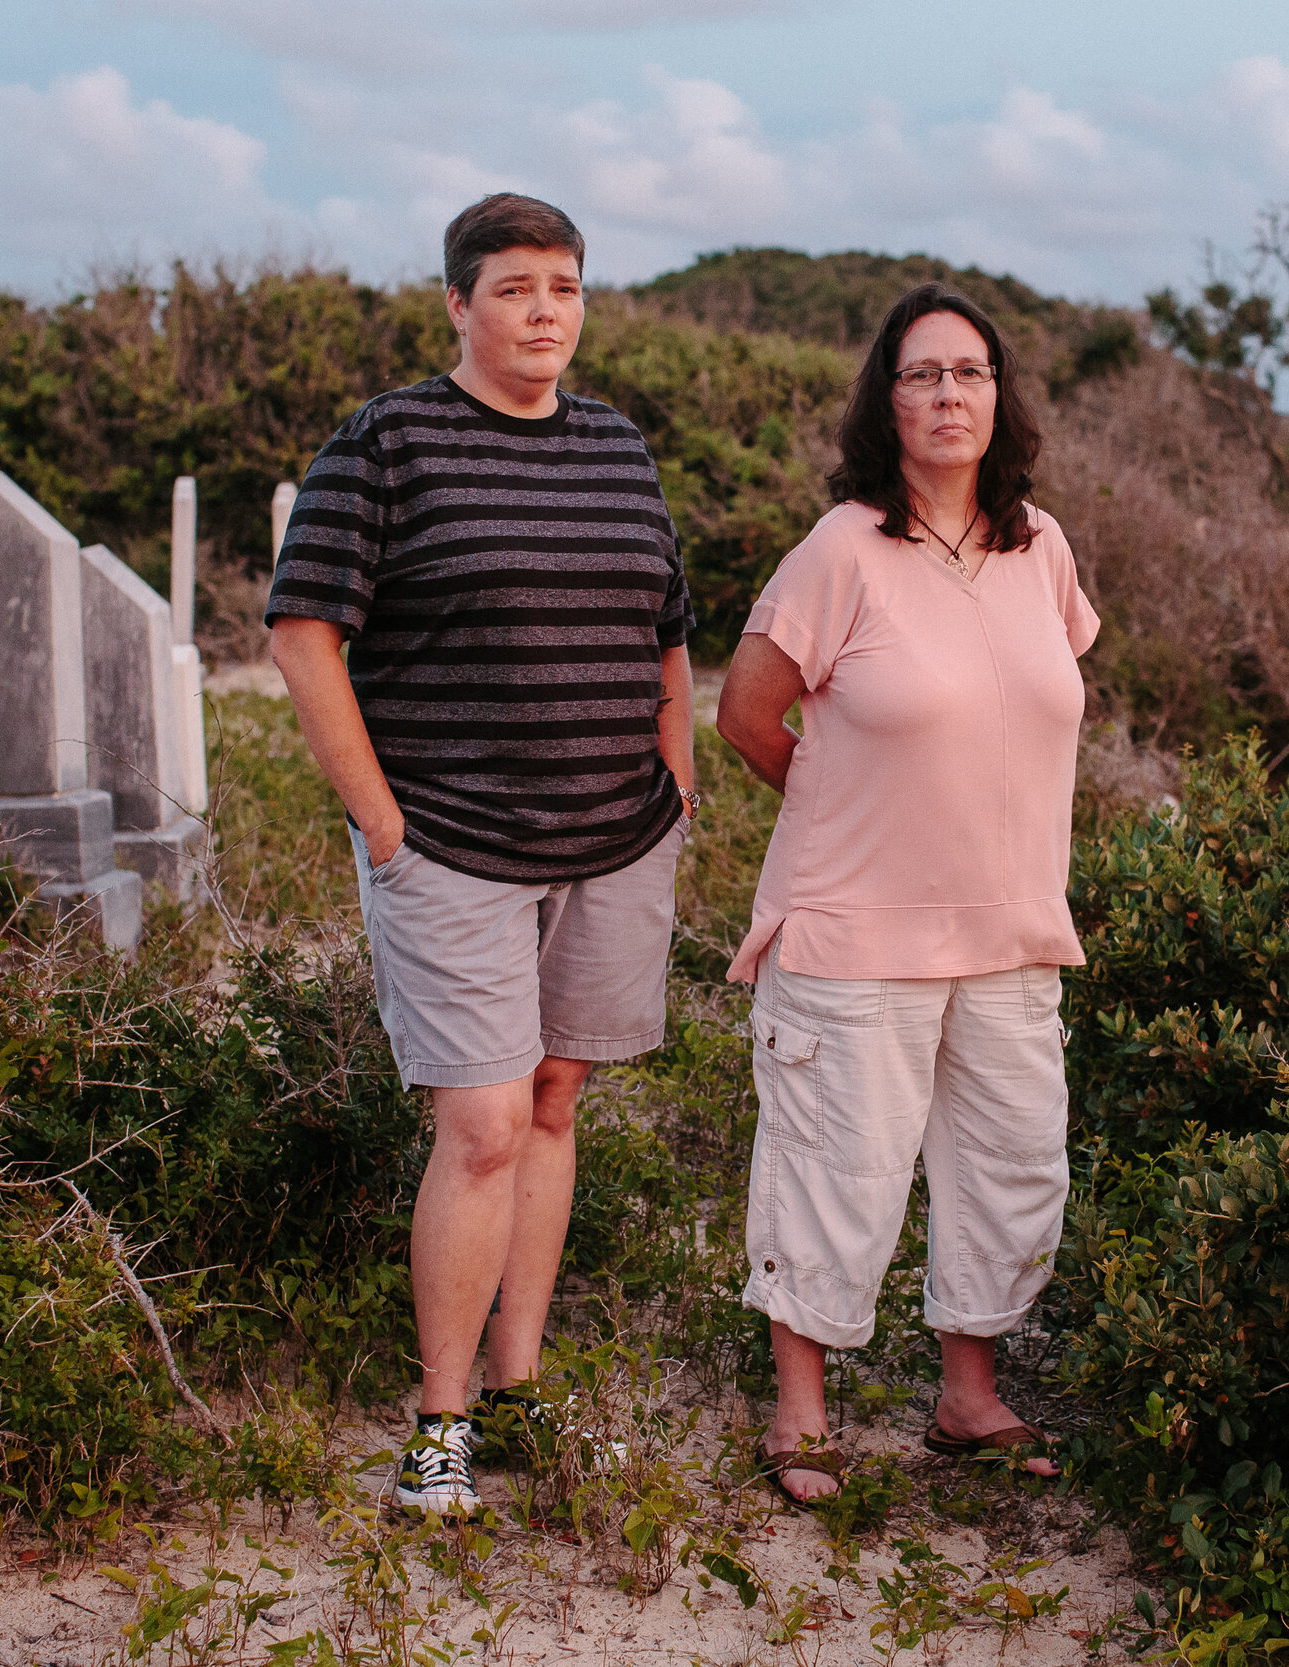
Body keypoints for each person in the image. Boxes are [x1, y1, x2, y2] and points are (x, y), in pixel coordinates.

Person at [265, 193, 699, 1516]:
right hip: (449, 842)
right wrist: (383, 826)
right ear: (457, 302)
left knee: (558, 1095)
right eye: (514, 288)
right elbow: (302, 628)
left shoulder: (619, 445)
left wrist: (674, 781)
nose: (544, 312)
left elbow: (668, 626)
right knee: (485, 1118)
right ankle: (440, 1418)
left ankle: (520, 1375)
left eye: (564, 287)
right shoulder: (391, 440)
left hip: (613, 837)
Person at [715, 284, 1097, 1508]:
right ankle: (800, 1412)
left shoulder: (1039, 545)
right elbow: (746, 713)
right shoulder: (841, 547)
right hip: (855, 925)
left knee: (1009, 1162)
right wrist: (846, 805)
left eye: (970, 373)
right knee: (838, 1164)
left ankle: (967, 1394)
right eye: (922, 374)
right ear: (886, 401)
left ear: (1000, 396)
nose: (949, 394)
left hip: (1010, 923)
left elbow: (1031, 701)